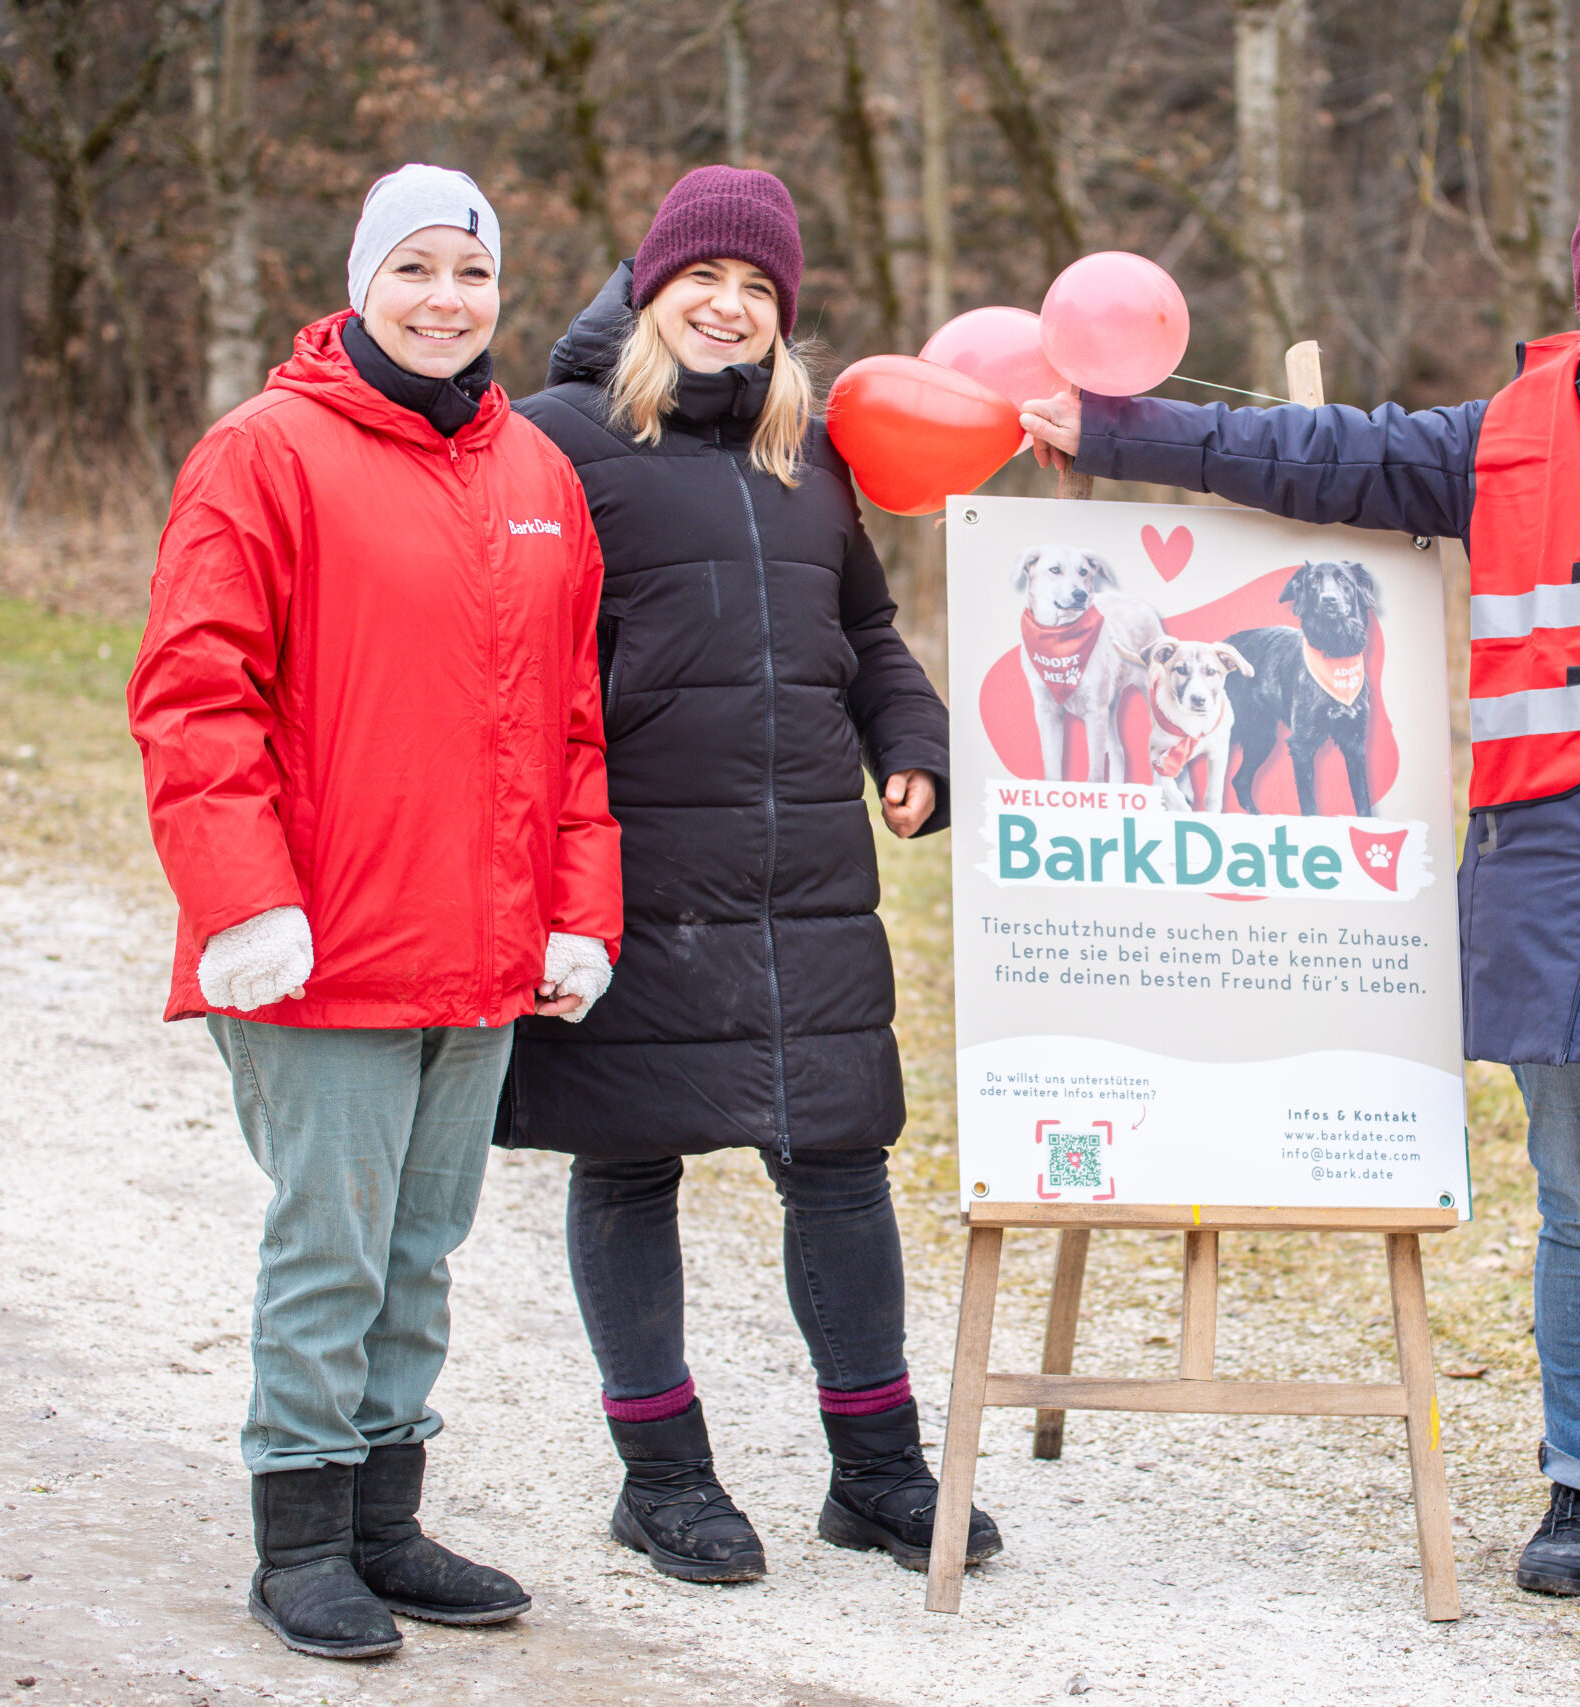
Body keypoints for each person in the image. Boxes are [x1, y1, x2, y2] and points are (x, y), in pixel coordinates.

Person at [1025, 170, 1580, 1622]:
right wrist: (1113, 431)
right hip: (1549, 897)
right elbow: (1309, 453)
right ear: (1579, 313)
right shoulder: (1498, 441)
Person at [129, 164, 621, 1661]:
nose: (443, 300)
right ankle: (299, 1537)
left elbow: (576, 725)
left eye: (468, 275)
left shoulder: (536, 474)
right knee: (331, 1247)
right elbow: (194, 696)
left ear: (498, 296)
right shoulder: (262, 453)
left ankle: (387, 1522)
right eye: (413, 269)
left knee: (423, 1245)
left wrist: (576, 910)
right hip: (316, 946)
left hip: (481, 950)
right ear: (362, 282)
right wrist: (241, 904)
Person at [500, 166, 997, 1584]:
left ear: (787, 315)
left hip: (809, 875)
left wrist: (916, 740)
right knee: (629, 1157)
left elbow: (870, 629)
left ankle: (880, 1473)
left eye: (761, 290)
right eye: (703, 281)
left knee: (840, 1160)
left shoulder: (814, 455)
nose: (730, 307)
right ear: (650, 292)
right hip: (634, 875)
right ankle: (661, 1476)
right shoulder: (553, 445)